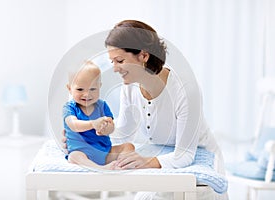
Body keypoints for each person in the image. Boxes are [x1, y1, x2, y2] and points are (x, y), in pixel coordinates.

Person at [63, 20, 228, 199]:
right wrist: (90, 132)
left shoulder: (185, 89)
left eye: (119, 60)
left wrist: (146, 161)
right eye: (112, 61)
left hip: (198, 166)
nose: (115, 68)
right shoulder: (129, 86)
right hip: (162, 162)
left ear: (143, 55)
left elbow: (185, 155)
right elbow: (124, 131)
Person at [63, 60, 135, 170]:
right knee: (73, 157)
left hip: (104, 152)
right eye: (80, 89)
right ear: (69, 89)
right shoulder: (69, 107)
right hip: (82, 152)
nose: (87, 94)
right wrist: (93, 123)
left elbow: (111, 127)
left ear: (99, 86)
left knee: (129, 147)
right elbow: (73, 125)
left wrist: (105, 128)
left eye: (92, 89)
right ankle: (99, 168)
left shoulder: (102, 106)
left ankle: (119, 165)